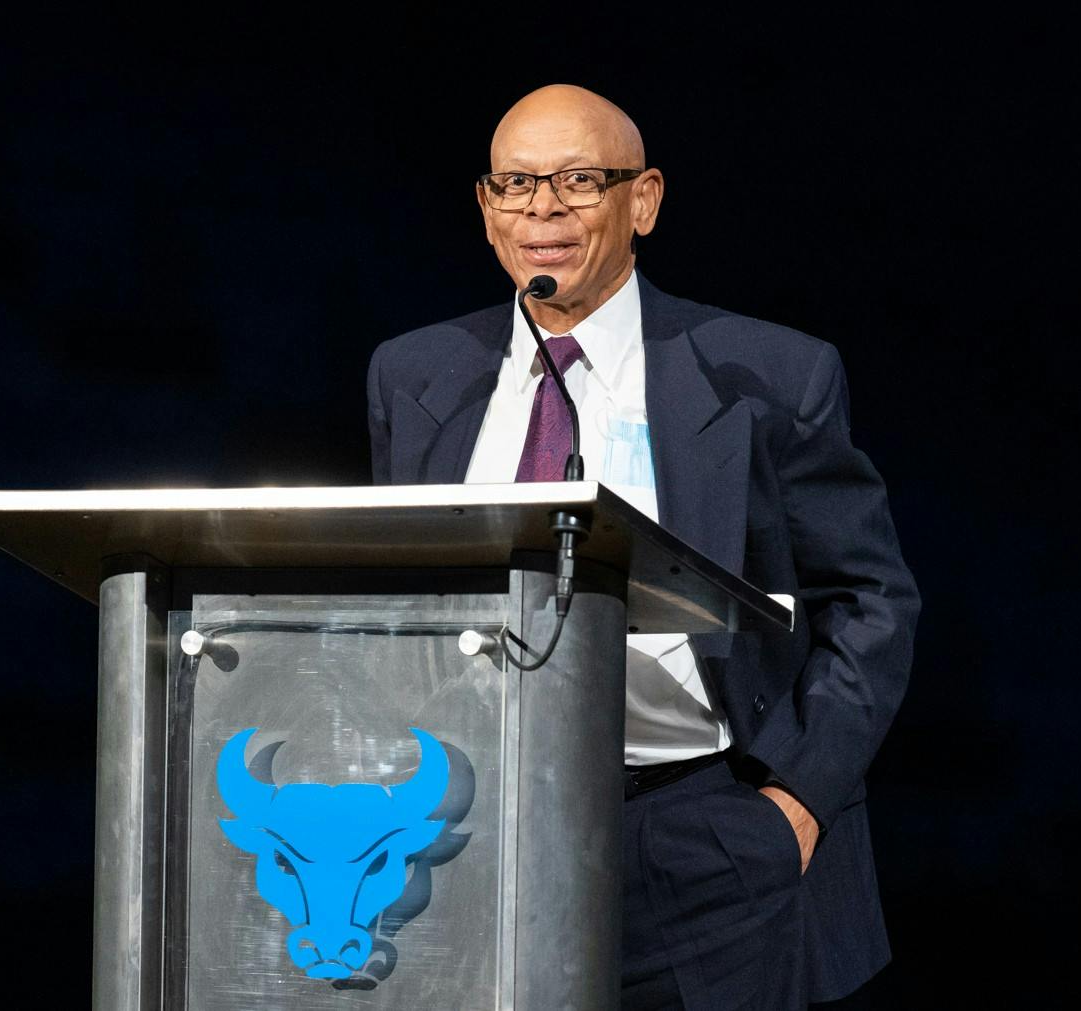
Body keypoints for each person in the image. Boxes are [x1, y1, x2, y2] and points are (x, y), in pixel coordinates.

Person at [366, 84, 919, 1010]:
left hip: (704, 831)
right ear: (486, 208)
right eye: (516, 184)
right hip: (477, 831)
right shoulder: (416, 374)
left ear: (644, 201)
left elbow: (872, 601)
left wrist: (795, 803)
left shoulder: (770, 373)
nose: (543, 209)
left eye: (580, 180)